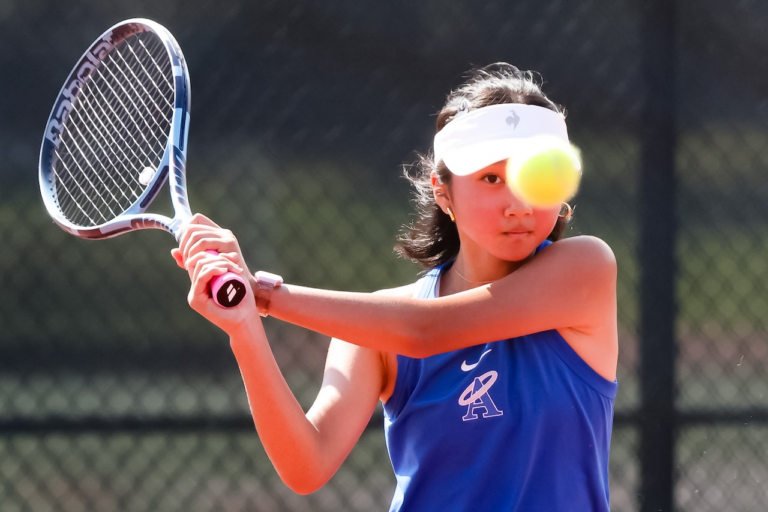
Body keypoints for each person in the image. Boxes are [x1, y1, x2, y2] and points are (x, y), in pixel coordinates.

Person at [172, 63, 618, 511]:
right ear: (443, 192)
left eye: (535, 176)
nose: (518, 203)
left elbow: (425, 331)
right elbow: (307, 465)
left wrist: (265, 295)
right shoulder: (377, 326)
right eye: (491, 178)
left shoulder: (586, 269)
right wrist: (244, 326)